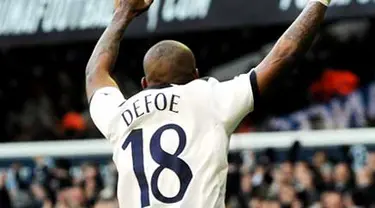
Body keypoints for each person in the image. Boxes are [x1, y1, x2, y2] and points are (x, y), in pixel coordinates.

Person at [86, 0, 331, 207]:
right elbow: (285, 53)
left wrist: (121, 15)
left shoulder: (119, 114)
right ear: (195, 75)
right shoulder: (210, 98)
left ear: (143, 83)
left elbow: (94, 73)